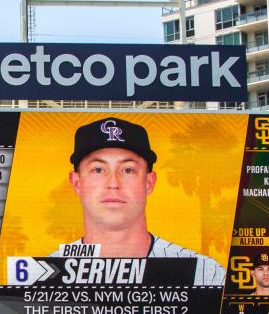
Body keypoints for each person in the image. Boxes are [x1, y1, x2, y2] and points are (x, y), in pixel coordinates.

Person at [52, 117, 225, 287]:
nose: (113, 184)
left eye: (128, 170)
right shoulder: (44, 274)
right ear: (77, 183)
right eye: (98, 170)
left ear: (149, 182)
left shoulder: (206, 274)